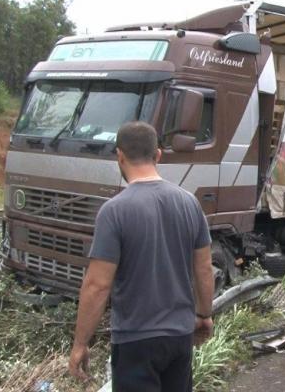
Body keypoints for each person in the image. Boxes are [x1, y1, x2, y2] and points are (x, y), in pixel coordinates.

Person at [68, 121, 214, 392]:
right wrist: (204, 314)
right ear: (158, 155)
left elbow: (97, 285)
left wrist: (80, 343)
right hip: (179, 338)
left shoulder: (114, 211)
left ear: (119, 156)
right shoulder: (189, 203)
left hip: (135, 340)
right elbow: (204, 268)